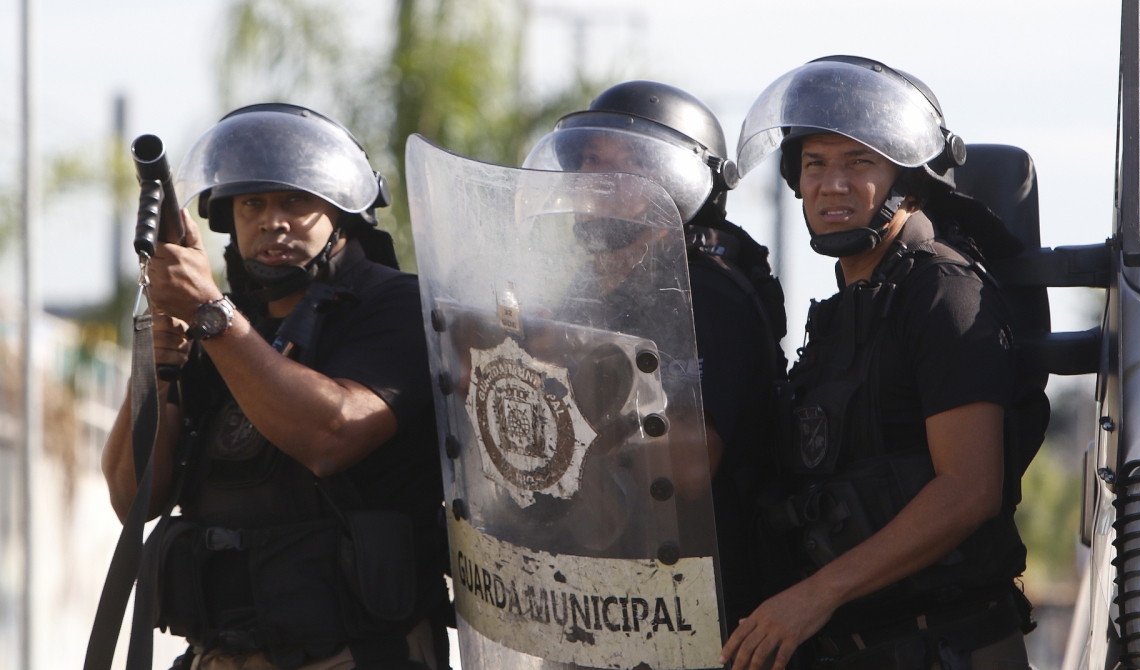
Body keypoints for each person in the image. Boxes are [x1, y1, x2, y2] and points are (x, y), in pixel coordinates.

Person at [719, 56, 1044, 670]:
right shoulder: (853, 308)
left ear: (908, 182)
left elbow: (969, 489)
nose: (831, 184)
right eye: (814, 163)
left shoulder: (943, 292)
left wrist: (817, 595)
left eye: (858, 162)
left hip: (947, 647)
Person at [101, 104, 450, 670]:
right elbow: (132, 496)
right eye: (252, 204)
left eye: (295, 201)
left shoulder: (397, 305)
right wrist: (158, 367)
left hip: (355, 653)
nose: (272, 221)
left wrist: (212, 316)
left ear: (340, 213)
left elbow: (333, 434)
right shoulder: (223, 327)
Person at [524, 81, 788, 627]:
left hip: (696, 613)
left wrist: (563, 390)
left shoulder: (706, 293)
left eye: (621, 167)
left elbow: (689, 465)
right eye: (587, 162)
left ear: (674, 182)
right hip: (590, 602)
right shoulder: (579, 295)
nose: (593, 181)